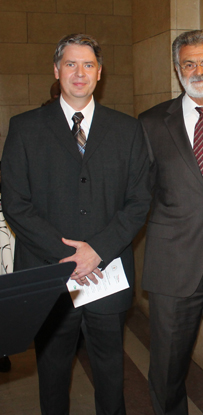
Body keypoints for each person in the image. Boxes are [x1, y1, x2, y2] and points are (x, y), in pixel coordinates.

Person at [2, 33, 151, 415]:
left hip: (107, 275)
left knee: (110, 376)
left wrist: (97, 250)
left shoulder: (127, 130)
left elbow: (139, 201)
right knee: (52, 376)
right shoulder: (25, 127)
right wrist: (69, 255)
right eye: (70, 64)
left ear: (100, 73)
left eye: (88, 65)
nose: (79, 73)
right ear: (56, 70)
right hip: (49, 277)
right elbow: (16, 203)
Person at [138, 30, 203, 415]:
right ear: (177, 68)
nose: (199, 71)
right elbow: (137, 197)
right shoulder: (150, 123)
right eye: (189, 63)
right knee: (166, 369)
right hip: (172, 267)